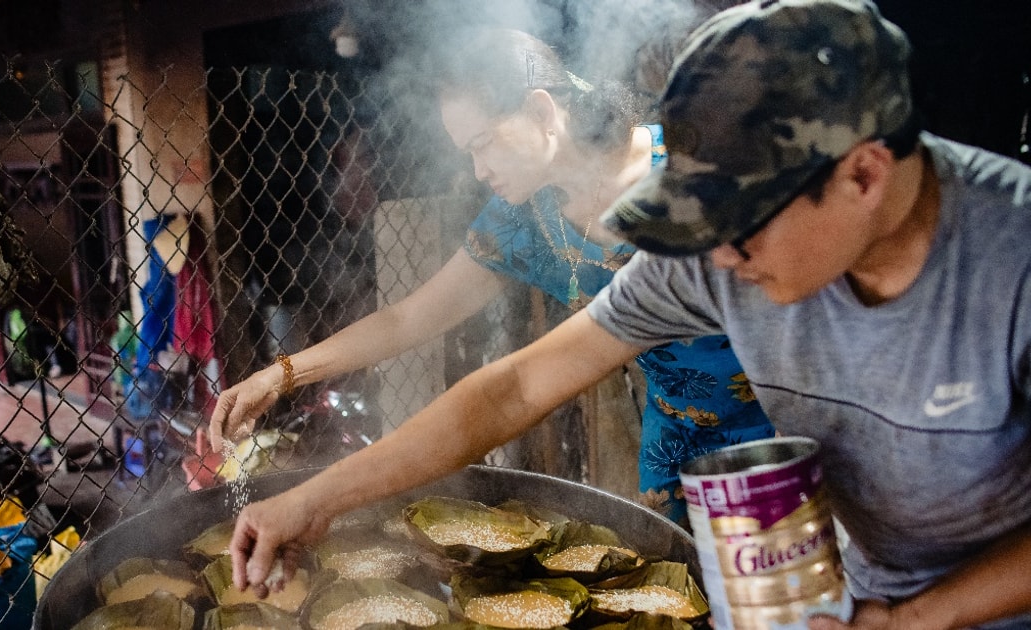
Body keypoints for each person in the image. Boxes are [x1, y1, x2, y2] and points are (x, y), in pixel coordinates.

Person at [224, 0, 1031, 627]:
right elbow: (512, 390)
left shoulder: (1013, 263)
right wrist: (316, 497)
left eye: (739, 228)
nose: (715, 263)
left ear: (863, 175)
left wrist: (923, 618)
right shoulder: (713, 256)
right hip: (851, 583)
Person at [210, 27, 773, 519]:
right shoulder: (524, 219)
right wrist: (279, 375)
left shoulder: (690, 172)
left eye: (482, 144)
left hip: (785, 428)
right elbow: (408, 318)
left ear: (540, 112)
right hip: (677, 442)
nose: (479, 171)